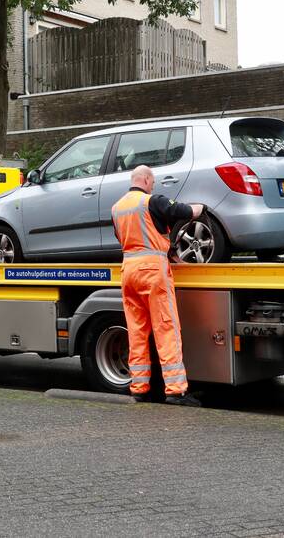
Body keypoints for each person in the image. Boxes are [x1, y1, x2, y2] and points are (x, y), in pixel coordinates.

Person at [111, 165, 204, 406]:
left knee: (137, 331)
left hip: (128, 270)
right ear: (145, 179)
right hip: (152, 270)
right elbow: (182, 211)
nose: (153, 186)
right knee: (166, 328)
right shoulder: (152, 201)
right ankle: (175, 391)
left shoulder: (117, 208)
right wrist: (199, 209)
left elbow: (127, 237)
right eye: (152, 182)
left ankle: (139, 388)